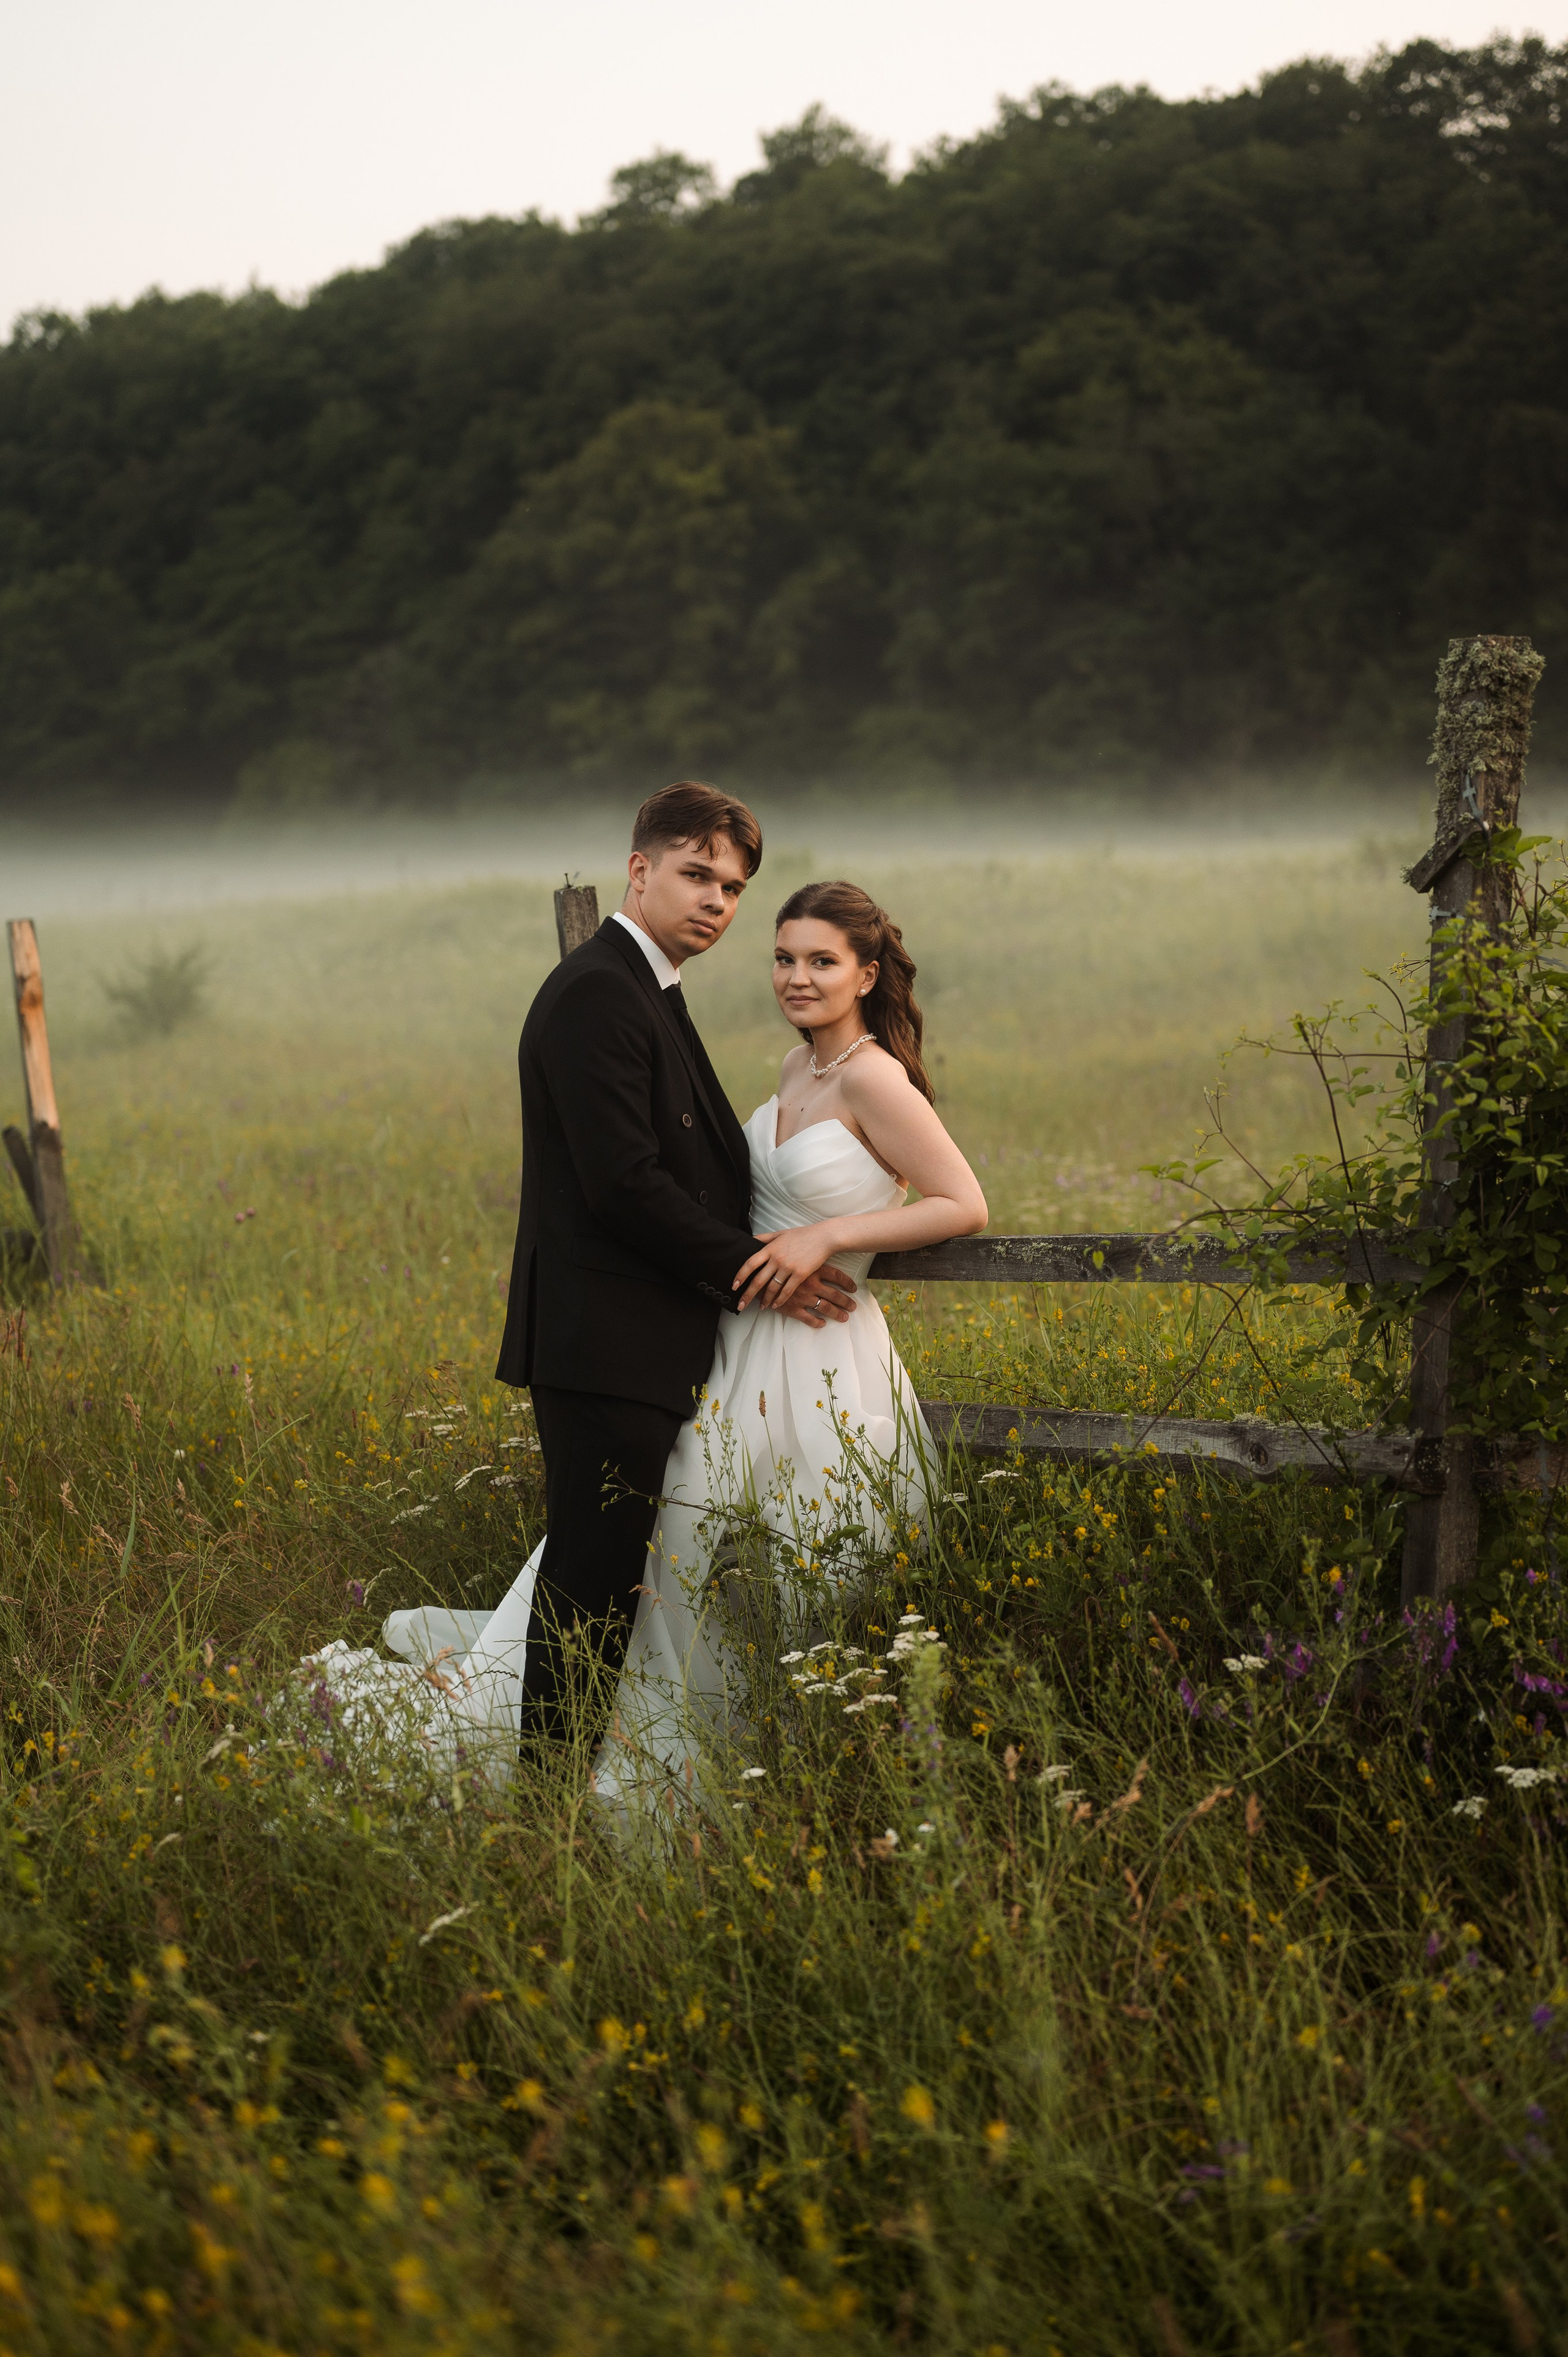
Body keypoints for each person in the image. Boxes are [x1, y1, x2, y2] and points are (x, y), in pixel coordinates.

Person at [306, 817, 987, 1799]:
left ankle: (776, 1752)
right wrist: (762, 1259)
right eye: (700, 878)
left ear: (868, 976)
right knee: (635, 1569)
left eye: (735, 889)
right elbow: (627, 1183)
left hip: (805, 1351)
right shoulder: (628, 1001)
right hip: (689, 1340)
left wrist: (824, 1240)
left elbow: (961, 1202)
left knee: (755, 1562)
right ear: (640, 869)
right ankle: (570, 1783)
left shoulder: (858, 1070)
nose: (721, 905)